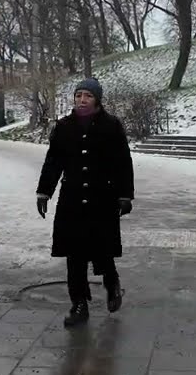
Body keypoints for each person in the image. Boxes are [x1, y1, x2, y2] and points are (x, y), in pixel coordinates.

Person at [36, 78, 134, 328]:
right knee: (74, 255)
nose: (82, 100)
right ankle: (79, 304)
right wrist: (44, 192)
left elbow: (123, 162)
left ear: (97, 100)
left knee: (103, 249)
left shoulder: (111, 126)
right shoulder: (64, 126)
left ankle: (111, 283)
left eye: (87, 96)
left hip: (103, 198)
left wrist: (125, 195)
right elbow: (53, 161)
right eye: (78, 95)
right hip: (72, 200)